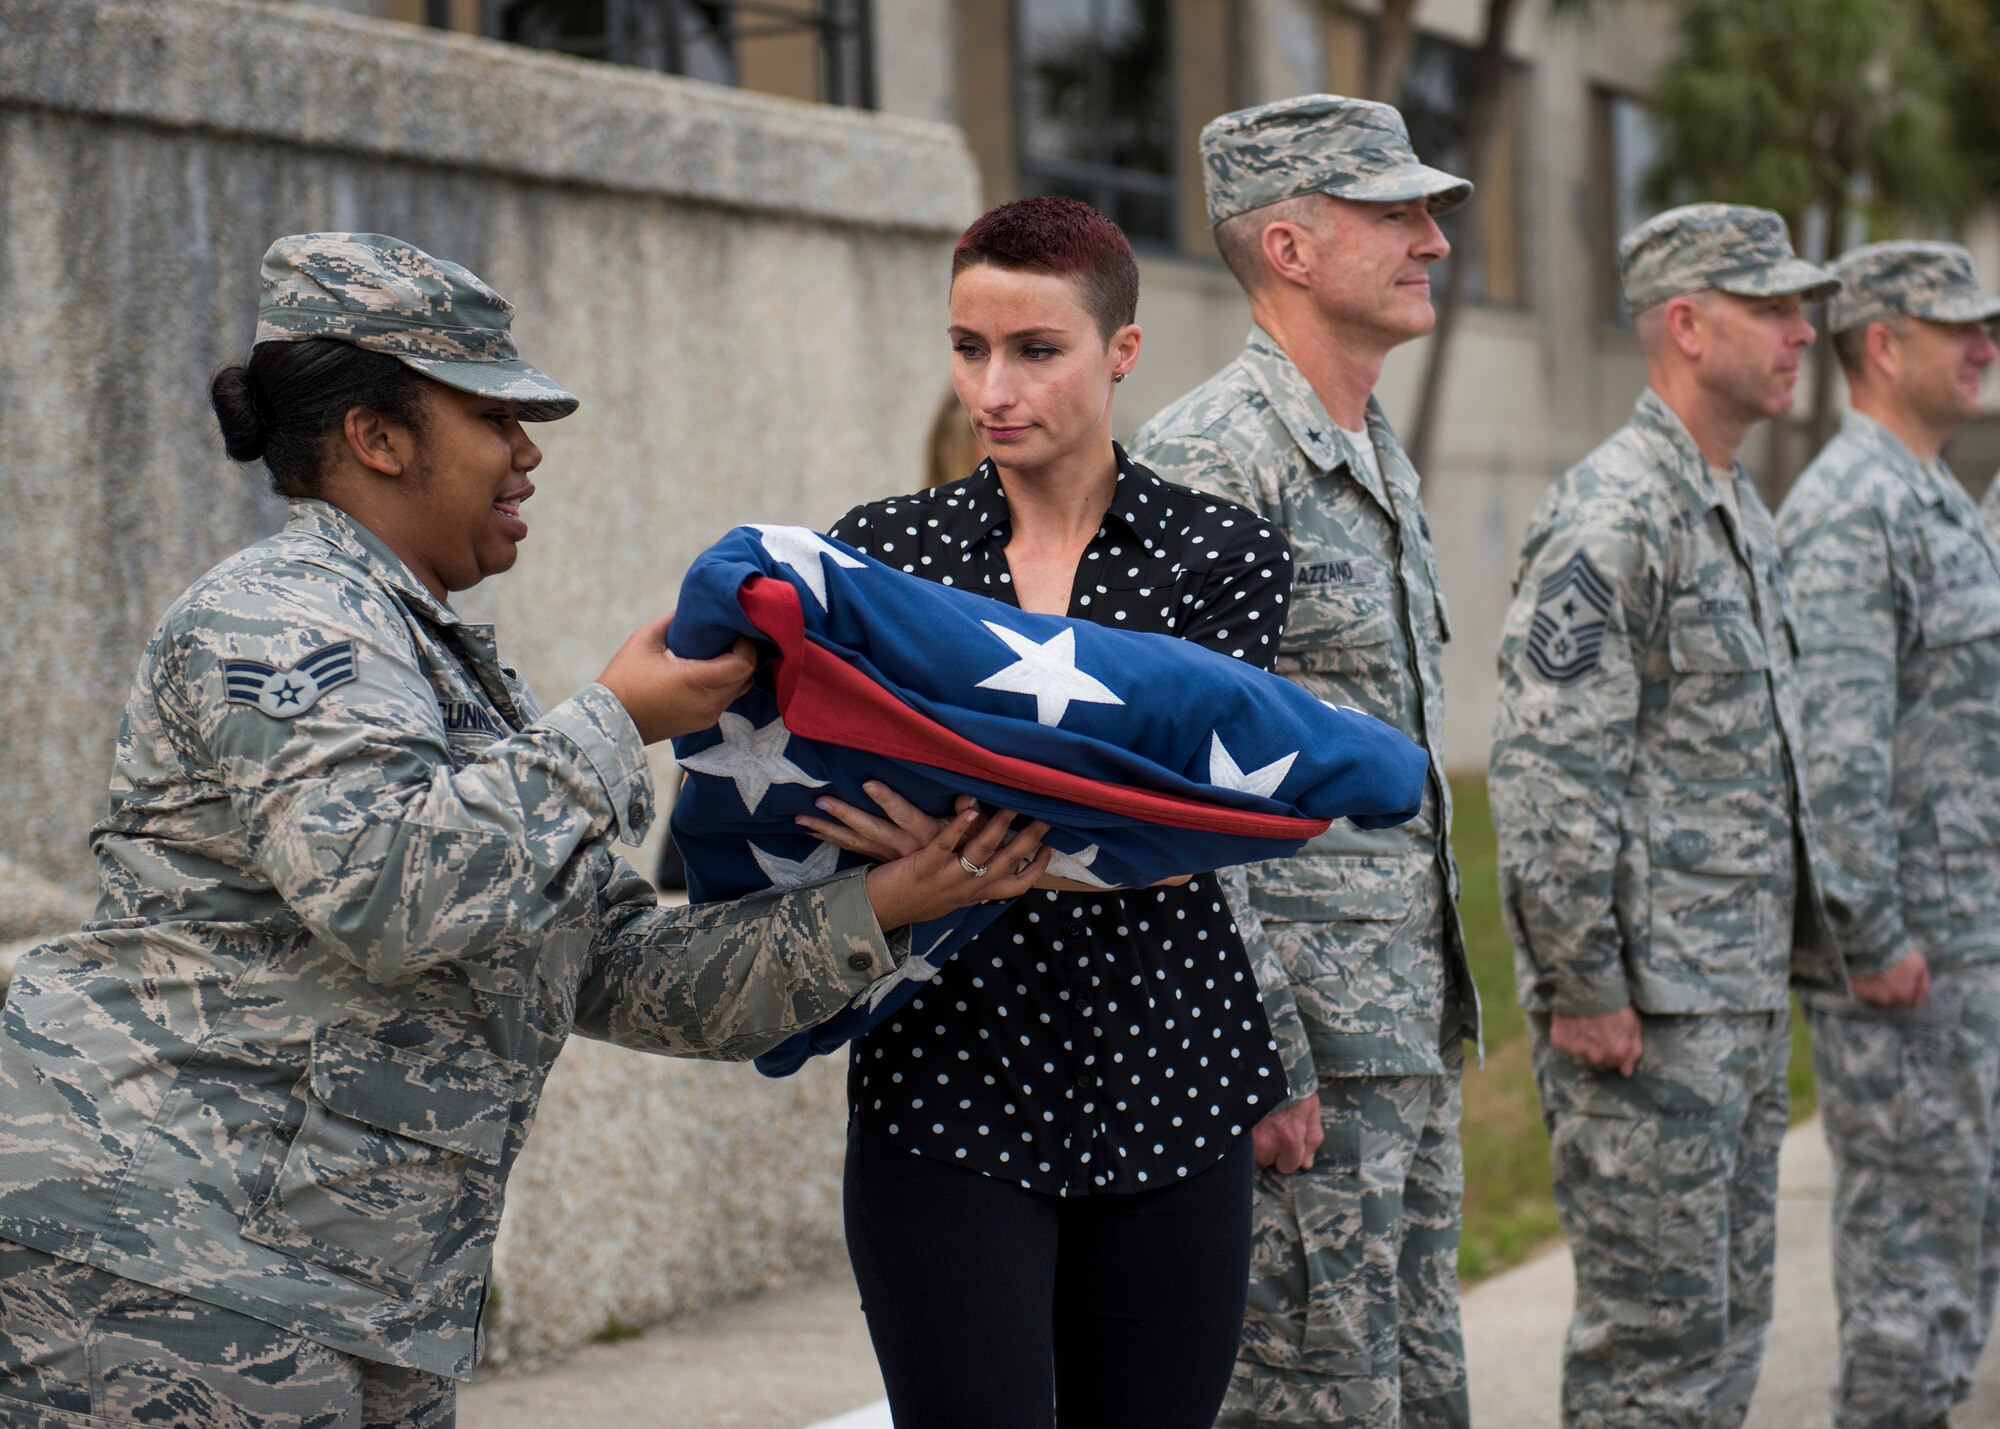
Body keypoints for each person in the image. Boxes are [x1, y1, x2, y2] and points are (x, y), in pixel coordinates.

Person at [0, 232, 1045, 1429]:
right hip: (171, 1263)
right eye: (491, 415)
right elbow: (386, 891)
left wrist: (890, 901)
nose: (526, 452)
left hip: (345, 1285)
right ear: (377, 437)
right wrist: (613, 725)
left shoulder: (424, 653)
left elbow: (625, 968)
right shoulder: (281, 621)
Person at [795, 195, 1296, 1429]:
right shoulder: (877, 559)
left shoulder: (1218, 554)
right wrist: (1078, 814)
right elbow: (824, 805)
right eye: (968, 348)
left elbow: (1184, 828)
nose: (993, 387)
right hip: (944, 1076)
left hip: (1172, 1069)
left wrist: (943, 840)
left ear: (1120, 351)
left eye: (1035, 350)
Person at [1129, 94, 1480, 1429]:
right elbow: (1170, 795)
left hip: (1396, 1042)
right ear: (1288, 245)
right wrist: (1263, 1057)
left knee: (1416, 1396)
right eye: (1395, 213)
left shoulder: (1368, 447)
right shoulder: (1215, 459)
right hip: (1307, 1066)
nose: (1432, 241)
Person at [1488, 203, 1845, 1428]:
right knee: (1652, 1358)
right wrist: (1584, 980)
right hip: (1646, 1015)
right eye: (1774, 306)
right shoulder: (1615, 515)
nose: (1805, 330)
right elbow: (1545, 767)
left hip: (1730, 999)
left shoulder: (1729, 508)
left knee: (1724, 1338)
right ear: (1687, 326)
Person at [1776, 241, 2000, 1429]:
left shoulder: (1933, 499)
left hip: (1967, 944)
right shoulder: (1852, 511)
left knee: (1957, 1256)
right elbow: (1835, 748)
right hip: (1912, 965)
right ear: (1880, 343)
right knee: (1911, 1280)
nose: (1983, 346)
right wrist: (1871, 933)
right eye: (1955, 326)